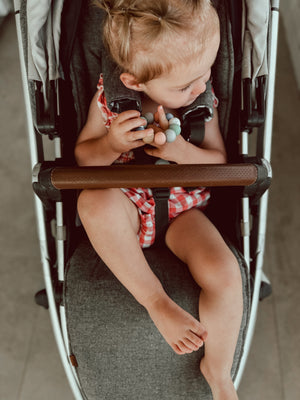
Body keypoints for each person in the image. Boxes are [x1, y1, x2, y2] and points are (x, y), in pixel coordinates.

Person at [75, 1, 243, 399]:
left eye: (205, 74)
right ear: (134, 82)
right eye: (186, 85)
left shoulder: (202, 103)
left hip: (185, 209)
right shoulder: (111, 101)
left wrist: (186, 152)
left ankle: (217, 369)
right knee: (92, 201)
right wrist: (111, 142)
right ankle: (156, 301)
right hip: (127, 201)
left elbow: (218, 162)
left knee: (224, 272)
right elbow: (84, 157)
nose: (200, 87)